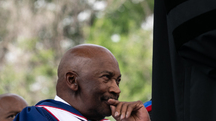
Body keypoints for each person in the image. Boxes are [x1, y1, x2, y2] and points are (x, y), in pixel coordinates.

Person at [14, 44, 148, 121]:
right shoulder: (37, 117)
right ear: (72, 80)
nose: (117, 90)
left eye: (118, 81)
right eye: (106, 78)